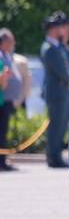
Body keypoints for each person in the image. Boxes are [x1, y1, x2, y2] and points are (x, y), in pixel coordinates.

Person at [40, 11, 69, 168]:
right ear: (55, 29)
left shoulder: (58, 47)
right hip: (56, 94)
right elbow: (64, 71)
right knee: (56, 126)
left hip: (62, 93)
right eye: (62, 27)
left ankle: (56, 155)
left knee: (61, 125)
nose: (65, 30)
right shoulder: (49, 48)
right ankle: (53, 157)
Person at [0, 28, 26, 171]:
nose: (12, 44)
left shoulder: (7, 55)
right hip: (2, 100)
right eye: (10, 41)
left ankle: (3, 160)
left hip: (7, 100)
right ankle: (1, 162)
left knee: (3, 132)